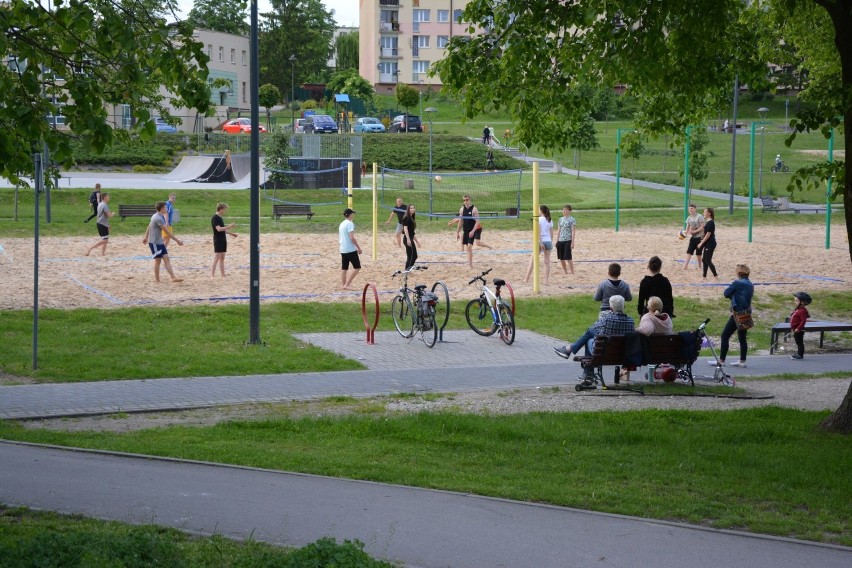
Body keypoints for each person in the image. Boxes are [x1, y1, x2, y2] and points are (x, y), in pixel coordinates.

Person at [553, 295, 635, 379]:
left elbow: (594, 327)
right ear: (624, 306)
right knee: (591, 334)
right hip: (622, 354)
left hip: (603, 353)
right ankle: (570, 350)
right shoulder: (631, 321)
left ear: (610, 308)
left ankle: (572, 353)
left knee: (589, 336)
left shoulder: (606, 319)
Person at [714, 264, 754, 367]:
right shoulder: (750, 284)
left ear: (738, 273)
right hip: (746, 313)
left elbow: (726, 293)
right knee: (742, 338)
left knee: (725, 336)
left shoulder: (737, 283)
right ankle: (742, 361)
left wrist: (733, 292)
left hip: (737, 314)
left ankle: (721, 361)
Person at [142, 201, 184, 283]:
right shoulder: (158, 218)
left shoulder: (157, 215)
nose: (166, 208)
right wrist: (177, 241)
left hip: (159, 241)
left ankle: (173, 277)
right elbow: (167, 232)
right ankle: (157, 280)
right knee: (158, 261)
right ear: (161, 208)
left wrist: (146, 237)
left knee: (166, 258)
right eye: (165, 207)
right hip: (154, 242)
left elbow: (149, 226)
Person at [448, 194, 492, 268]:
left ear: (469, 200)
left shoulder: (474, 209)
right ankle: (464, 254)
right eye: (464, 200)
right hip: (467, 230)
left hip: (476, 228)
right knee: (468, 245)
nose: (465, 201)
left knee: (473, 245)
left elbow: (478, 222)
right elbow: (460, 220)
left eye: (467, 200)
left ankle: (470, 264)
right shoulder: (462, 209)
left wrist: (472, 231)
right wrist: (457, 232)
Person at [524, 205, 554, 285]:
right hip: (548, 241)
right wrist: (550, 242)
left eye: (538, 209)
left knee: (533, 261)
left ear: (541, 211)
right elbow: (551, 234)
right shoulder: (549, 220)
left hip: (541, 241)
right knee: (547, 262)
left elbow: (538, 232)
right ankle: (546, 281)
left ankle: (526, 279)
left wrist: (540, 242)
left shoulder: (538, 219)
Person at [211, 202, 238, 277]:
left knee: (222, 259)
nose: (225, 211)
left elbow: (223, 230)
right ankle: (212, 275)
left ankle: (223, 275)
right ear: (220, 209)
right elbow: (219, 229)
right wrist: (229, 226)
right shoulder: (215, 217)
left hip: (223, 239)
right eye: (225, 209)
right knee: (216, 258)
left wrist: (231, 233)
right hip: (218, 240)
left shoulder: (220, 217)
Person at [339, 208, 362, 290]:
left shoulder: (342, 223)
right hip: (349, 249)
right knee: (357, 267)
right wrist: (358, 248)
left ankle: (344, 285)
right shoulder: (349, 224)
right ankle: (347, 284)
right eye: (352, 214)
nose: (353, 215)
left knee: (344, 268)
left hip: (342, 248)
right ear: (349, 215)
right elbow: (352, 238)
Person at [84, 192, 115, 256]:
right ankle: (90, 248)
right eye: (108, 196)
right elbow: (109, 216)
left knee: (105, 239)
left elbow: (102, 216)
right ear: (105, 197)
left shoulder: (100, 204)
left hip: (100, 223)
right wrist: (113, 214)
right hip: (102, 224)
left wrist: (108, 224)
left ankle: (103, 254)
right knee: (105, 240)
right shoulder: (104, 205)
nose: (109, 197)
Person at [789, 292, 812, 360]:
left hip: (799, 330)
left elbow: (803, 321)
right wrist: (792, 328)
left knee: (799, 342)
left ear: (802, 302)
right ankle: (799, 354)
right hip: (795, 329)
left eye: (797, 300)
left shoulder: (803, 311)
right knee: (798, 342)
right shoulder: (798, 309)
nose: (795, 302)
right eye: (795, 300)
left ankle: (800, 355)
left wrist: (798, 328)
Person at [682, 203, 705, 271]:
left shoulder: (699, 216)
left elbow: (702, 227)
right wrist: (684, 234)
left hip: (700, 237)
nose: (690, 210)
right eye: (689, 209)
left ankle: (700, 266)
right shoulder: (689, 218)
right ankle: (685, 266)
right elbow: (687, 229)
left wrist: (694, 232)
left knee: (698, 254)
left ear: (695, 209)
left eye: (692, 208)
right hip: (693, 238)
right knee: (689, 252)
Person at [556, 204, 576, 275]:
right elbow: (558, 230)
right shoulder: (560, 219)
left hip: (568, 240)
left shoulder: (572, 219)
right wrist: (557, 240)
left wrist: (572, 242)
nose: (564, 211)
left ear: (569, 211)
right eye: (563, 209)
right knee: (561, 258)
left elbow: (573, 231)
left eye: (566, 209)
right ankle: (566, 272)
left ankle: (572, 272)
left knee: (568, 257)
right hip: (561, 240)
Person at [698, 207, 718, 279]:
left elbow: (708, 234)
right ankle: (704, 277)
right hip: (708, 243)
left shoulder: (711, 222)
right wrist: (701, 238)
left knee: (708, 260)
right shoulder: (708, 222)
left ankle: (716, 276)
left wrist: (701, 243)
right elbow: (705, 233)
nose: (703, 213)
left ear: (709, 213)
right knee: (704, 260)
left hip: (711, 243)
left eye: (705, 212)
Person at [401, 204, 421, 270]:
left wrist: (417, 242)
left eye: (413, 208)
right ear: (408, 210)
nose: (412, 209)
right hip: (407, 239)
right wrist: (408, 239)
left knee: (414, 256)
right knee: (411, 256)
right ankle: (407, 270)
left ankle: (408, 269)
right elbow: (405, 229)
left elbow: (412, 232)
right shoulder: (407, 217)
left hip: (410, 238)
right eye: (410, 208)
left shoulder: (412, 218)